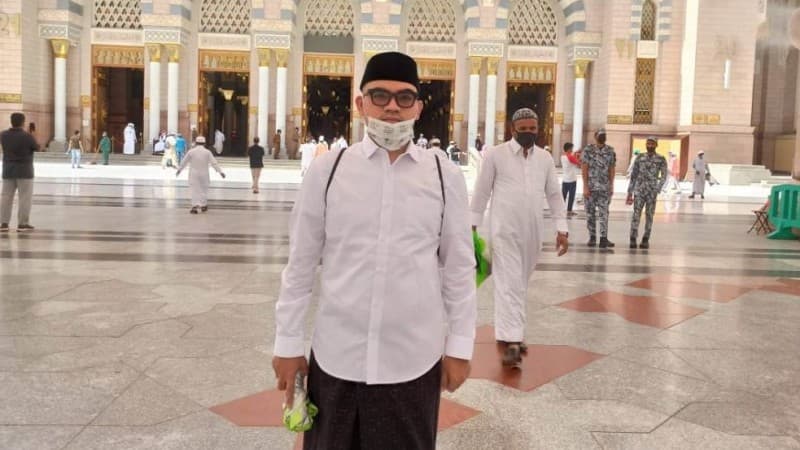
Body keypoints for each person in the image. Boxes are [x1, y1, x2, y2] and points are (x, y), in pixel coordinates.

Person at [272, 51, 476, 449]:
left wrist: (460, 346)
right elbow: (300, 265)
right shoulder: (328, 170)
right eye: (379, 95)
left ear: (418, 106)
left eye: (404, 97)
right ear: (360, 102)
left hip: (412, 363)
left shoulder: (442, 174)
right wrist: (288, 343)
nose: (392, 108)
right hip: (336, 360)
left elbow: (458, 267)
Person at [471, 108, 569, 367]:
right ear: (512, 129)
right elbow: (481, 192)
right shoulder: (496, 155)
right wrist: (472, 225)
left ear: (538, 129)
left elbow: (554, 195)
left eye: (532, 129)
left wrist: (562, 227)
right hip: (503, 231)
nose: (528, 133)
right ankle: (513, 342)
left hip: (532, 233)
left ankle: (509, 333)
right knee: (509, 283)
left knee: (518, 283)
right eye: (523, 129)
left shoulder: (545, 159)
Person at [626, 137, 668, 249]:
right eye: (648, 143)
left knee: (649, 216)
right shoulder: (640, 157)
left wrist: (657, 188)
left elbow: (664, 176)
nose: (649, 145)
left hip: (651, 192)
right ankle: (633, 238)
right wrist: (630, 192)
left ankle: (645, 239)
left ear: (656, 145)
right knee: (636, 215)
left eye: (652, 143)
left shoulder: (661, 159)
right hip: (639, 191)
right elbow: (633, 176)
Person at [1, 112, 39, 232]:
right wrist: (33, 134)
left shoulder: (3, 135)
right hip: (25, 171)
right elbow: (37, 147)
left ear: (11, 121)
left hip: (8, 170)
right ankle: (23, 224)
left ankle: (3, 223)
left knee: (6, 197)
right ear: (23, 122)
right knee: (24, 198)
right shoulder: (27, 136)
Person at [581, 129, 616, 248]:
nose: (602, 137)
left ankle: (603, 238)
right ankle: (592, 237)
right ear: (595, 136)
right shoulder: (588, 150)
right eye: (600, 135)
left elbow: (612, 168)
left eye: (604, 135)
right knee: (590, 214)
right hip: (590, 188)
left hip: (604, 188)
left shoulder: (610, 151)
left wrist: (611, 185)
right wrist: (585, 186)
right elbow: (584, 168)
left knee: (604, 214)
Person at [176, 136, 225, 214]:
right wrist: (220, 172)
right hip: (204, 174)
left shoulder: (191, 152)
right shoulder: (207, 152)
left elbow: (184, 162)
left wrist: (179, 170)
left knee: (194, 190)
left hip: (193, 174)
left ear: (195, 143)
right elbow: (214, 163)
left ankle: (194, 207)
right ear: (204, 143)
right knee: (203, 190)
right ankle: (203, 205)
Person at [560, 142, 580, 217]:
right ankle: (569, 211)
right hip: (572, 180)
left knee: (563, 196)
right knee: (571, 196)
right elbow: (578, 163)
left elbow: (571, 161)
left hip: (565, 180)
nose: (572, 150)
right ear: (568, 149)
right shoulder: (570, 157)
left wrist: (575, 155)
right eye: (571, 148)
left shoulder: (562, 157)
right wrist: (577, 156)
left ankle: (560, 210)